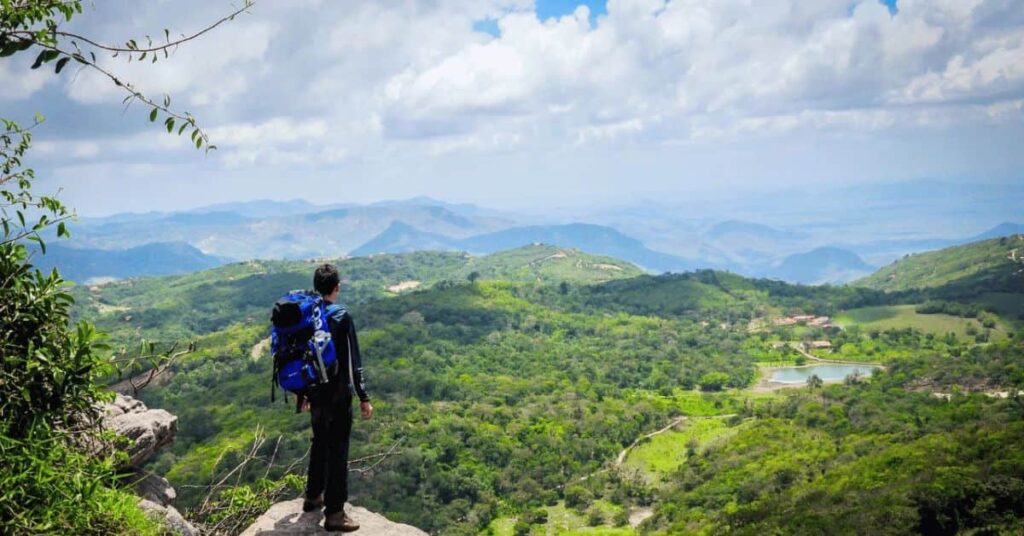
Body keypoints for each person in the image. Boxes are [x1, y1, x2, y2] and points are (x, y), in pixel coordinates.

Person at [299, 263, 373, 532]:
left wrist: (303, 393)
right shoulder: (342, 317)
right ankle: (335, 514)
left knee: (319, 442)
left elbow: (301, 358)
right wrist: (364, 397)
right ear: (336, 287)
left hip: (316, 394)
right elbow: (354, 361)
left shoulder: (308, 315)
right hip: (339, 395)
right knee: (338, 449)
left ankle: (312, 496)